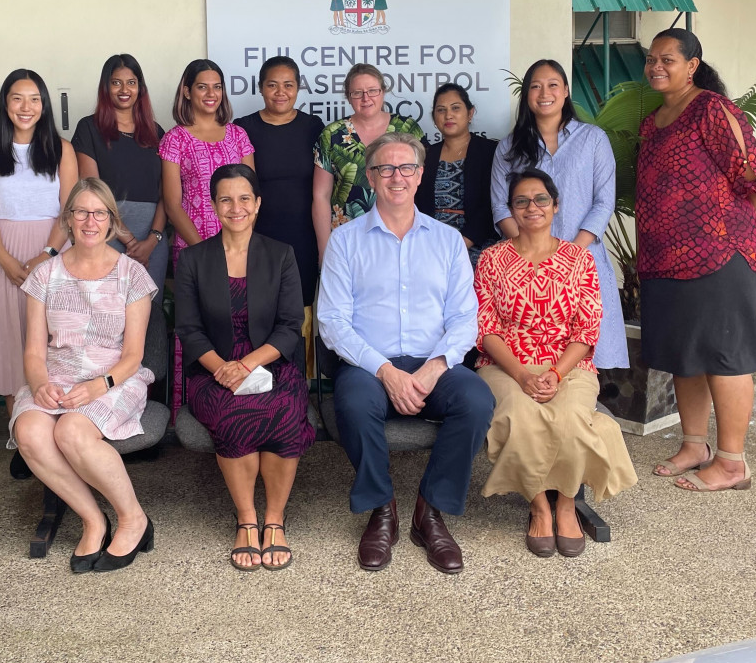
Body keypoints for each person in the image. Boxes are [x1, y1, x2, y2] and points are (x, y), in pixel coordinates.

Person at [318, 132, 494, 574]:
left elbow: (464, 318)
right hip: (368, 362)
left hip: (432, 361)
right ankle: (381, 509)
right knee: (354, 402)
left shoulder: (447, 241)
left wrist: (435, 367)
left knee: (476, 400)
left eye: (406, 168)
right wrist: (384, 371)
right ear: (372, 180)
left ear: (419, 176)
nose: (396, 177)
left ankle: (429, 511)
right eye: (385, 169)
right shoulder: (345, 240)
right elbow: (332, 321)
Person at [636, 28, 756, 493]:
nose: (657, 66)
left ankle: (733, 462)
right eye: (651, 59)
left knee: (725, 356)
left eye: (668, 59)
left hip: (720, 257)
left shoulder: (712, 110)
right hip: (666, 261)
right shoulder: (653, 120)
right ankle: (695, 444)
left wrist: (726, 231)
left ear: (692, 65)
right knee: (686, 356)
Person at [474, 168, 637, 558]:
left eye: (541, 199)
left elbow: (586, 330)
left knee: (570, 417)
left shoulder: (579, 260)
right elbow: (486, 328)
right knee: (519, 413)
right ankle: (538, 506)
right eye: (521, 201)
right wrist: (522, 375)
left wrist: (554, 374)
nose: (532, 207)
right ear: (511, 209)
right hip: (505, 365)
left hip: (569, 365)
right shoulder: (492, 260)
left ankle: (566, 502)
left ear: (555, 205)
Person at [10, 178, 158, 573]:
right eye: (81, 212)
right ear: (68, 219)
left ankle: (134, 519)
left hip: (115, 378)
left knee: (71, 432)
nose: (90, 221)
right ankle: (93, 519)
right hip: (55, 376)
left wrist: (97, 386)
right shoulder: (44, 276)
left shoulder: (132, 275)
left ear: (111, 221)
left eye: (99, 213)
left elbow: (133, 355)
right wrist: (40, 384)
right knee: (30, 432)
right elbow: (33, 350)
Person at [175, 164, 315, 571]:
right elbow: (188, 328)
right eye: (225, 199)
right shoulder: (194, 260)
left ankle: (274, 518)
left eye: (243, 199)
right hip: (212, 365)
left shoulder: (280, 254)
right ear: (214, 205)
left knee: (285, 411)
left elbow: (291, 325)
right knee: (233, 412)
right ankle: (246, 518)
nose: (235, 207)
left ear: (257, 204)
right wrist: (224, 368)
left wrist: (248, 363)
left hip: (270, 358)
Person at [0, 69, 76, 481]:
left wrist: (46, 254)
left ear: (44, 106)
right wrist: (7, 261)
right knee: (11, 341)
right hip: (1, 255)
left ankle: (55, 432)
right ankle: (20, 438)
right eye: (17, 98)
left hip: (51, 252)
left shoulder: (62, 149)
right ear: (5, 104)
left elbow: (70, 210)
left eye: (34, 99)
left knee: (49, 341)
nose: (26, 108)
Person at [491, 60, 629, 370]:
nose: (544, 92)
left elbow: (603, 201)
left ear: (566, 91)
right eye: (535, 86)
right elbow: (501, 206)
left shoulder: (593, 139)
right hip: (525, 267)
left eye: (553, 84)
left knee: (586, 351)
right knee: (532, 357)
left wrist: (569, 255)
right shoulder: (509, 147)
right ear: (527, 95)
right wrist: (531, 252)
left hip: (584, 259)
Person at [160, 59, 255, 413]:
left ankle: (240, 395)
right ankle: (191, 407)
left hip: (240, 248)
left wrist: (240, 246)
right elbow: (172, 203)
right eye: (202, 86)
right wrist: (206, 253)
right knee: (196, 324)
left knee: (238, 320)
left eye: (217, 86)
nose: (211, 94)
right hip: (194, 247)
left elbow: (250, 196)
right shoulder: (175, 138)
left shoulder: (238, 135)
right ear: (187, 91)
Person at [72, 54, 168, 289]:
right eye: (116, 82)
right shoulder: (89, 128)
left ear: (140, 88)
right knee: (106, 313)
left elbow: (167, 194)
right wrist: (130, 241)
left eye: (131, 83)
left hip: (152, 242)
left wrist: (152, 240)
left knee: (148, 315)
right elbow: (92, 191)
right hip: (105, 234)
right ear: (106, 87)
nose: (124, 89)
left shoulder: (157, 133)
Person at [234, 56, 324, 306]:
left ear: (298, 87)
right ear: (261, 87)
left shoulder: (313, 126)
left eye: (288, 85)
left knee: (301, 307)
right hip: (259, 234)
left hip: (304, 235)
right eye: (272, 85)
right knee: (260, 306)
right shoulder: (243, 128)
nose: (280, 92)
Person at [313, 62, 424, 261]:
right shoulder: (332, 134)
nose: (366, 98)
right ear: (348, 96)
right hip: (347, 241)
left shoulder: (407, 128)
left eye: (372, 90)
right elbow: (321, 195)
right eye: (357, 93)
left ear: (383, 91)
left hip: (402, 237)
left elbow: (419, 181)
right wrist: (325, 249)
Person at [417, 83, 498, 267]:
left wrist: (463, 243)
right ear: (434, 117)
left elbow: (491, 205)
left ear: (470, 113)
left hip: (478, 246)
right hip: (431, 247)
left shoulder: (490, 152)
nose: (448, 115)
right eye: (441, 110)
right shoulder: (425, 156)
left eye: (455, 108)